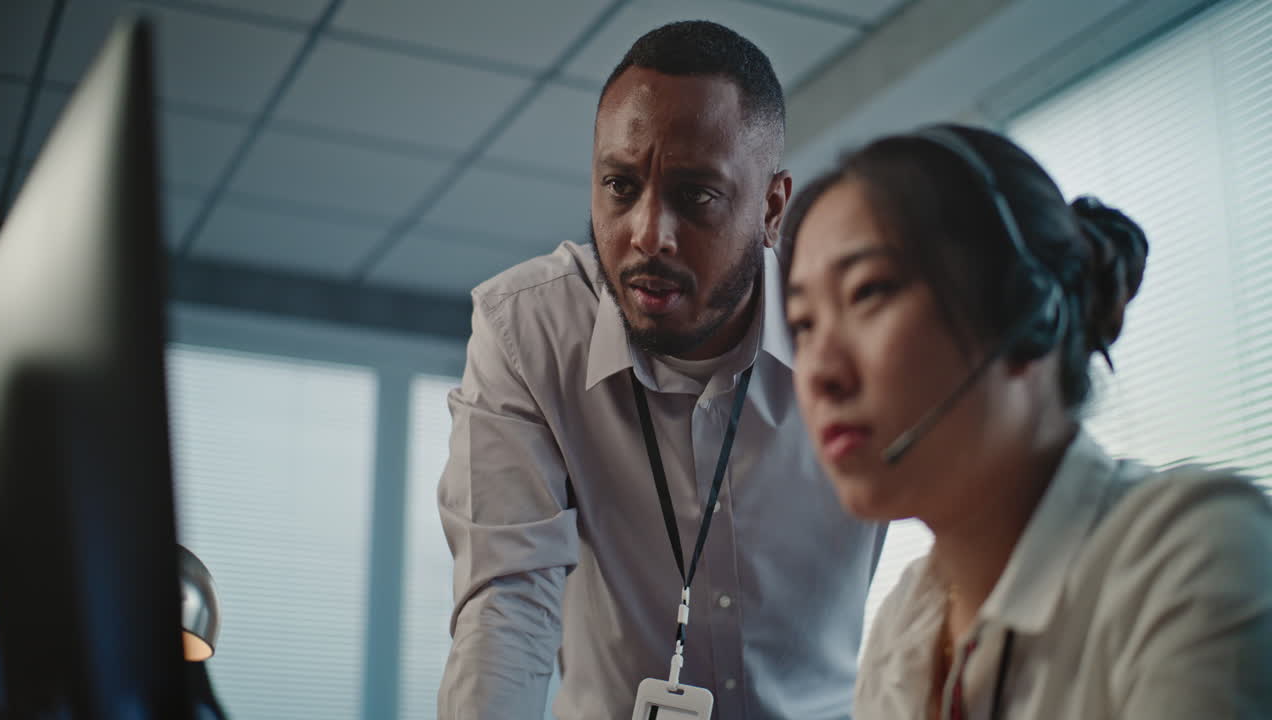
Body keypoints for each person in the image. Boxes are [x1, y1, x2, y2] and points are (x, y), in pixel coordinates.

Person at [437, 20, 886, 720]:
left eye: (695, 195)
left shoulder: (858, 330)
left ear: (771, 207)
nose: (648, 234)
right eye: (620, 186)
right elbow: (507, 607)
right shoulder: (529, 331)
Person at [781, 122, 1272, 719]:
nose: (819, 371)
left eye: (868, 292)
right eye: (804, 324)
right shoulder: (903, 627)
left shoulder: (1196, 554)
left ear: (1029, 310)